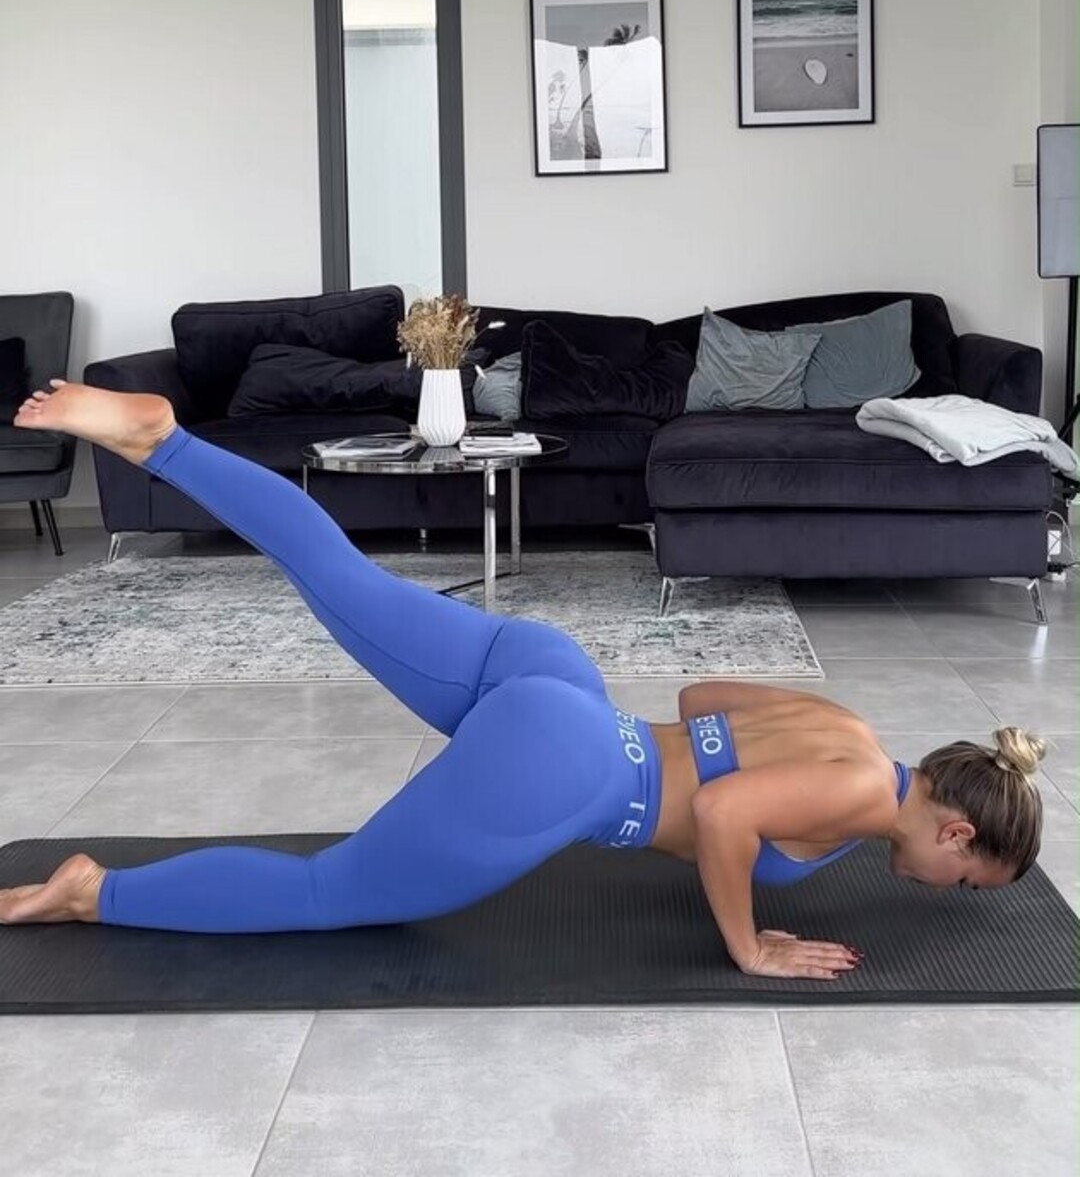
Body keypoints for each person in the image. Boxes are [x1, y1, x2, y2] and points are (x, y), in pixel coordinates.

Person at [0, 383, 1047, 982]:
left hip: (559, 682)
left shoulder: (851, 730)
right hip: (567, 772)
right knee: (331, 894)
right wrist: (749, 945)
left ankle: (165, 441)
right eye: (966, 880)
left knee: (339, 575)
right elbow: (722, 814)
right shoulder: (862, 796)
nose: (942, 888)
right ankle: (96, 891)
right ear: (958, 831)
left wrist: (703, 778)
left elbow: (699, 703)